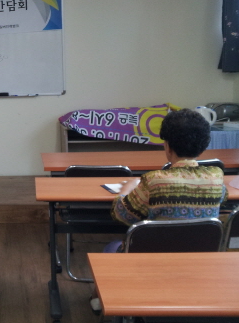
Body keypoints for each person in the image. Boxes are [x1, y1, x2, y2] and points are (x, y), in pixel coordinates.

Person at [90, 108, 228, 314]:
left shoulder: (154, 180)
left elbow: (122, 215)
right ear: (203, 145)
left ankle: (101, 301)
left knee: (112, 248)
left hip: (152, 263)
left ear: (167, 146)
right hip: (200, 263)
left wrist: (125, 191)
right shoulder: (216, 176)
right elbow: (223, 197)